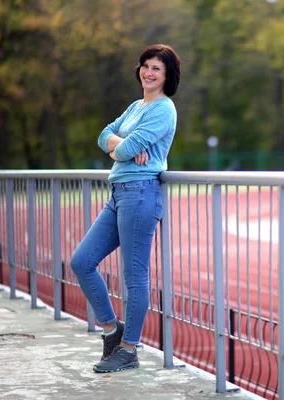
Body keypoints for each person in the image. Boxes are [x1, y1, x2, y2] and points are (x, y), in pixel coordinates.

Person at [70, 44, 181, 373]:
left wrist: (123, 147)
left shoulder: (164, 109)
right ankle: (111, 329)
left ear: (167, 76)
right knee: (82, 261)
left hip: (142, 194)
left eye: (157, 68)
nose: (149, 72)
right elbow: (104, 135)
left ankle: (129, 349)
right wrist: (125, 147)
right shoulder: (135, 106)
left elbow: (122, 145)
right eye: (145, 65)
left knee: (134, 277)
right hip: (118, 193)